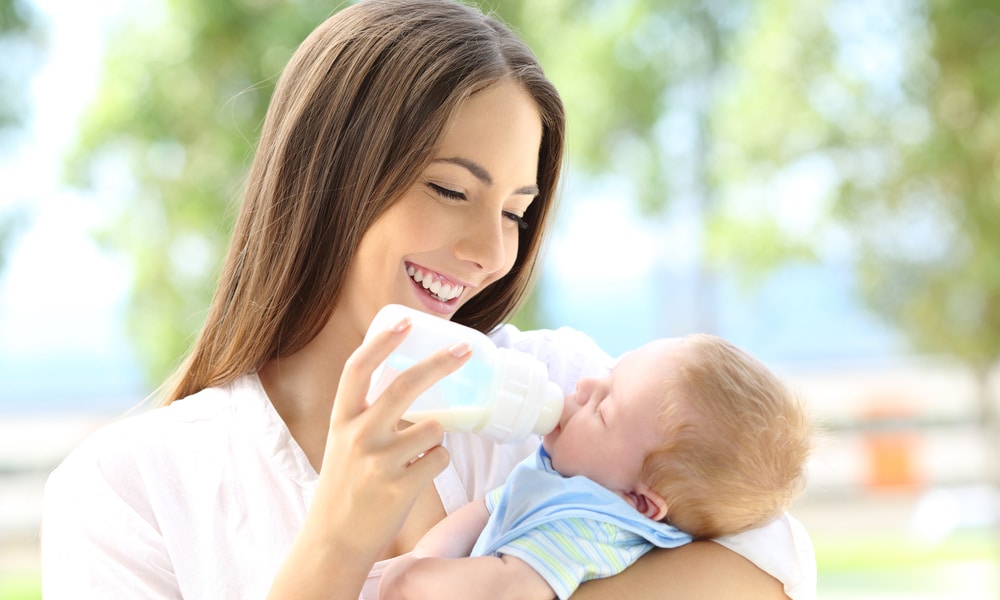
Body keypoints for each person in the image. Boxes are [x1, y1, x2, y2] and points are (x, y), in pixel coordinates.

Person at [40, 1, 816, 599]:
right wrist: (336, 541)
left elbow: (774, 566)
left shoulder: (571, 398)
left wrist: (522, 583)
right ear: (330, 174)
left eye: (515, 212)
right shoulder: (130, 490)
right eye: (450, 190)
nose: (491, 252)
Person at [380, 334, 814, 600]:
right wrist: (420, 561)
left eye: (604, 411)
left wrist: (413, 580)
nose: (585, 385)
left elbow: (510, 588)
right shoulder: (564, 478)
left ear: (638, 502)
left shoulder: (590, 527)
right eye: (609, 374)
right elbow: (485, 511)